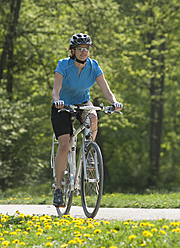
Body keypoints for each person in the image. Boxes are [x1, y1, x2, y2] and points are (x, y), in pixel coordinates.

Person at [51, 33, 123, 207]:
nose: (84, 52)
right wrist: (57, 101)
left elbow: (106, 90)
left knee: (93, 116)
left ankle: (89, 151)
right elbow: (55, 91)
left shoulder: (94, 66)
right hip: (63, 106)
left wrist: (114, 102)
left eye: (86, 49)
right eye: (80, 49)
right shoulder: (63, 65)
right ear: (73, 51)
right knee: (65, 145)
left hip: (82, 102)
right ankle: (59, 189)